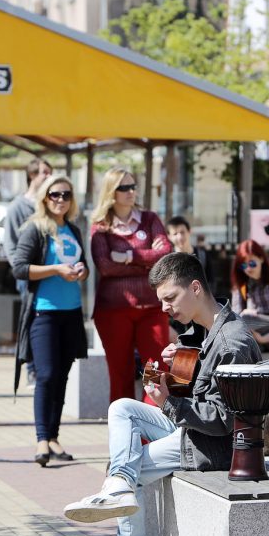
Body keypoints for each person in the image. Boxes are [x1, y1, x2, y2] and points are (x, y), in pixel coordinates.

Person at [63, 252, 261, 536]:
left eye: (170, 298)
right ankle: (118, 487)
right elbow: (202, 389)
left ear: (195, 287)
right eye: (162, 300)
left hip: (213, 447)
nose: (165, 308)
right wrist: (182, 360)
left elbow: (226, 421)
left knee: (128, 466)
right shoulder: (205, 329)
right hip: (194, 430)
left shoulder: (232, 341)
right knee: (123, 409)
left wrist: (167, 402)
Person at [12, 175, 89, 467]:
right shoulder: (35, 228)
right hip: (43, 312)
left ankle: (54, 437)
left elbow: (86, 270)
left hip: (72, 312)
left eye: (66, 195)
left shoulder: (73, 229)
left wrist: (81, 273)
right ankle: (42, 438)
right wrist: (56, 269)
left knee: (62, 376)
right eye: (55, 194)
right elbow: (19, 268)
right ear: (45, 197)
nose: (60, 200)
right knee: (45, 375)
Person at [90, 167, 171, 405]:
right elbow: (105, 266)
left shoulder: (150, 219)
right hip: (113, 310)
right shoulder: (100, 225)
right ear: (111, 192)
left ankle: (151, 435)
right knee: (120, 374)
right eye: (123, 187)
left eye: (133, 186)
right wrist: (147, 262)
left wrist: (127, 256)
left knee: (155, 374)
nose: (130, 192)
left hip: (152, 309)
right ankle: (124, 436)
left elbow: (165, 254)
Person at [3, 157, 53, 387]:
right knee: (30, 321)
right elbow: (10, 243)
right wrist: (20, 268)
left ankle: (43, 366)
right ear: (32, 175)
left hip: (52, 275)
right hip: (28, 276)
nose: (48, 177)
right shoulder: (17, 206)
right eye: (44, 172)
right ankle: (32, 368)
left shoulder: (52, 204)